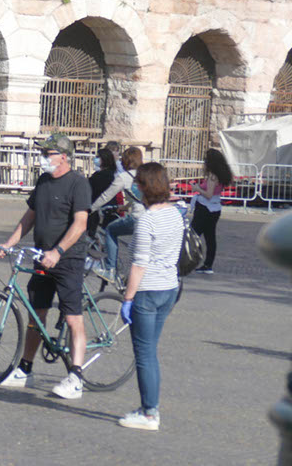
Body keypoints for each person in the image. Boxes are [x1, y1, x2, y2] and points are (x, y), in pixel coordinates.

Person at [0, 132, 91, 399]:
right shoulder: (44, 181)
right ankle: (25, 369)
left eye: (47, 154)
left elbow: (80, 223)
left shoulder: (78, 184)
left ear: (64, 157)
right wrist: (9, 244)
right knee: (36, 315)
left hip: (67, 260)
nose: (43, 158)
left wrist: (59, 251)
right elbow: (30, 217)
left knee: (73, 317)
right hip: (41, 257)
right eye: (43, 153)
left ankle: (76, 376)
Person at [118, 162, 186, 431]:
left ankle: (149, 413)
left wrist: (127, 298)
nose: (135, 187)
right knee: (150, 352)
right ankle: (149, 406)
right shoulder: (175, 214)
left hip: (148, 290)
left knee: (144, 354)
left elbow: (139, 264)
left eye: (138, 183)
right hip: (169, 287)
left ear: (146, 187)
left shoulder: (147, 219)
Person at [93, 146, 143, 284]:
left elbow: (105, 196)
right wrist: (125, 207)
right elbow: (141, 197)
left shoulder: (124, 177)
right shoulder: (145, 173)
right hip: (152, 217)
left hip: (137, 218)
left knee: (111, 230)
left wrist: (90, 208)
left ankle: (110, 270)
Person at [189, 148, 233, 274]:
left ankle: (190, 261)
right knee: (210, 237)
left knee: (193, 236)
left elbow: (208, 194)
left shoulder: (212, 176)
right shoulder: (222, 175)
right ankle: (208, 264)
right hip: (215, 207)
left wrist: (197, 188)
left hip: (205, 207)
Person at [86, 147, 118, 237]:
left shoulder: (103, 175)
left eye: (98, 157)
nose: (95, 159)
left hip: (100, 209)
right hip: (103, 208)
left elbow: (92, 189)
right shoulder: (108, 173)